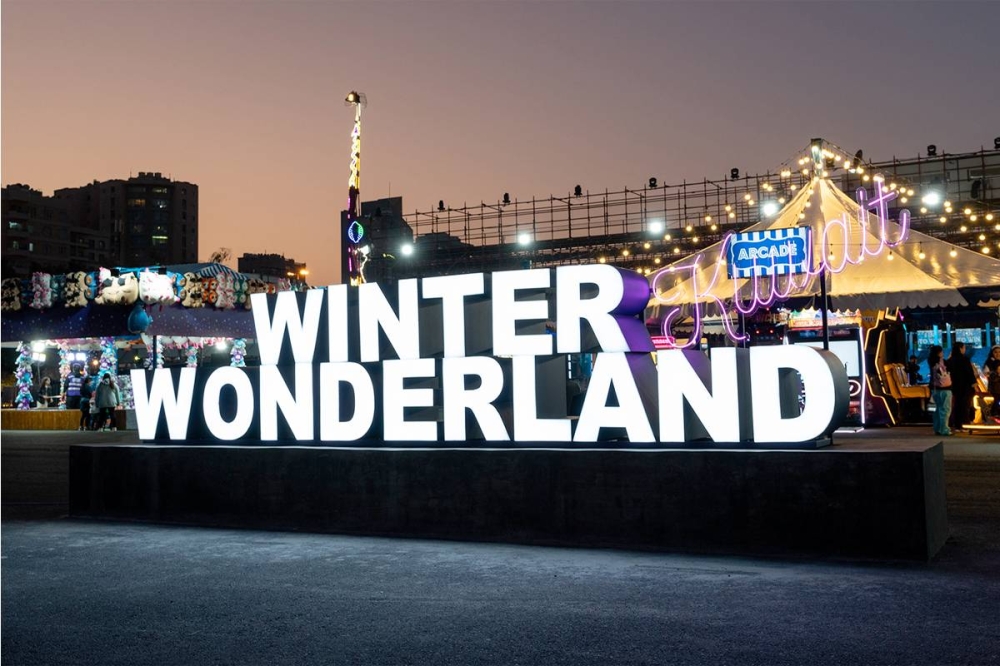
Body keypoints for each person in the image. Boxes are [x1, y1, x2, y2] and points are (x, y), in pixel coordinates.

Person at [947, 342, 977, 432]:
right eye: (964, 348)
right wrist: (974, 383)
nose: (965, 350)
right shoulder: (964, 359)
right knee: (965, 406)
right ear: (960, 348)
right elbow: (969, 373)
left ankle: (957, 425)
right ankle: (965, 424)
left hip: (955, 386)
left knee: (957, 405)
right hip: (965, 386)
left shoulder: (951, 360)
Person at [928, 345, 952, 436]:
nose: (943, 353)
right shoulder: (942, 362)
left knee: (936, 410)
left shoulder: (931, 361)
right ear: (939, 353)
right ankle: (944, 429)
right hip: (945, 389)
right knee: (945, 409)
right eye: (941, 351)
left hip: (934, 389)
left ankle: (937, 428)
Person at [985, 345, 1000, 420]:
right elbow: (987, 374)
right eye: (995, 352)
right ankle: (993, 414)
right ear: (992, 353)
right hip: (995, 387)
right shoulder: (989, 363)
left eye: (999, 352)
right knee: (996, 400)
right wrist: (996, 373)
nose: (998, 354)